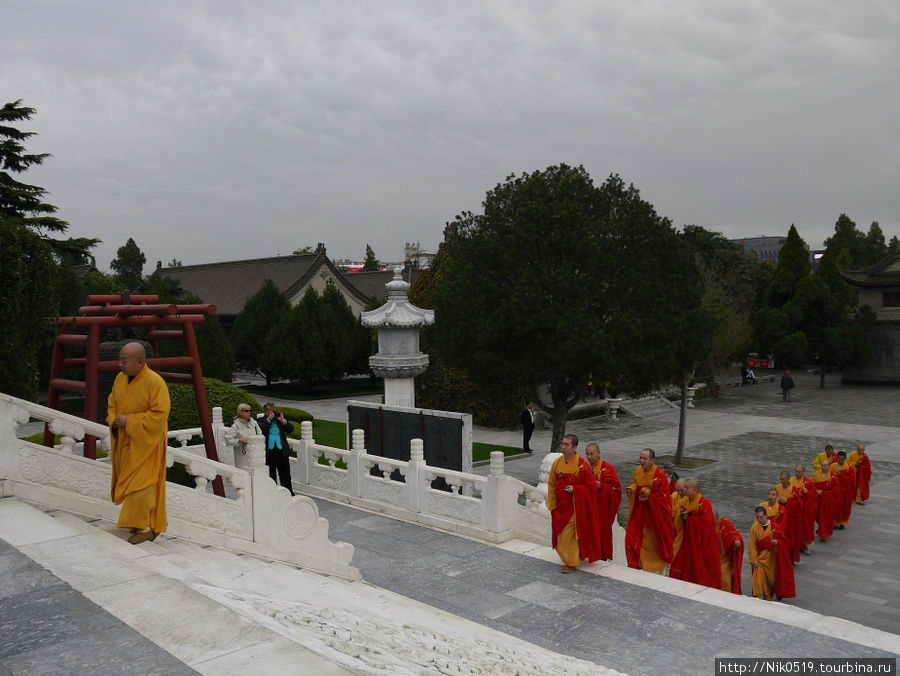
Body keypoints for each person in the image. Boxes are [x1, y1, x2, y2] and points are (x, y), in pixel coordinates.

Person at [107, 342, 170, 544]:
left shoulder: (155, 382)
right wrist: (113, 420)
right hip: (126, 442)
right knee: (131, 484)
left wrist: (130, 420)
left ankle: (146, 527)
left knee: (142, 487)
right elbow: (112, 405)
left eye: (124, 361)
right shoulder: (119, 379)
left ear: (140, 361)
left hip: (147, 445)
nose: (120, 365)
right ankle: (138, 526)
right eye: (120, 360)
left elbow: (159, 415)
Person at [547, 434, 603, 572]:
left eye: (567, 445)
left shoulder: (582, 465)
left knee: (567, 536)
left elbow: (590, 487)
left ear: (575, 447)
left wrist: (575, 489)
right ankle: (569, 558)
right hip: (560, 505)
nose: (563, 447)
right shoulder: (557, 462)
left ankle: (571, 562)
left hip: (574, 507)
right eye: (562, 444)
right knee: (559, 536)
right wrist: (552, 502)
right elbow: (551, 483)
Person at [624, 448, 674, 573]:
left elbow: (664, 498)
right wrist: (632, 489)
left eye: (644, 458)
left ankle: (658, 565)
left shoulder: (659, 474)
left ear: (652, 460)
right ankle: (637, 564)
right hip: (638, 511)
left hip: (653, 515)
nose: (641, 461)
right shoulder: (637, 471)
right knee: (630, 538)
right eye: (640, 458)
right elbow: (634, 483)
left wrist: (649, 497)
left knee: (650, 543)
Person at [668, 479, 720, 588]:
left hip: (700, 543)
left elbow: (706, 524)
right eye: (684, 488)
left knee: (699, 566)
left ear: (695, 491)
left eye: (687, 488)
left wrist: (690, 518)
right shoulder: (685, 501)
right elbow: (677, 519)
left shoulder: (704, 503)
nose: (684, 491)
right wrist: (681, 516)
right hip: (687, 540)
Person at [584, 442, 622, 561]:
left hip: (602, 510)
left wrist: (602, 486)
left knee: (601, 535)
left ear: (598, 453)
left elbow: (617, 489)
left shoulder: (607, 468)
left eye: (592, 454)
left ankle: (601, 559)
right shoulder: (584, 467)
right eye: (587, 454)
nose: (589, 457)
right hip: (588, 508)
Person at [748, 506, 794, 601]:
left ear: (766, 516)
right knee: (760, 578)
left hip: (772, 558)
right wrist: (754, 559)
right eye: (757, 517)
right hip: (760, 558)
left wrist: (778, 542)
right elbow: (751, 544)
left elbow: (785, 541)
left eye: (761, 517)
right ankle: (766, 597)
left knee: (772, 580)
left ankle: (772, 592)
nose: (759, 519)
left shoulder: (775, 526)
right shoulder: (754, 528)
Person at [257, 402, 295, 495]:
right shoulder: (261, 420)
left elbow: (290, 429)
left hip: (282, 452)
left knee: (285, 474)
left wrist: (283, 420)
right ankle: (272, 493)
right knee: (271, 475)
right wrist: (268, 420)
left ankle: (288, 493)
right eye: (268, 411)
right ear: (265, 411)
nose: (271, 412)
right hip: (269, 453)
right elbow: (260, 430)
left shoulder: (279, 420)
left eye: (272, 410)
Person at [775, 470, 804, 562]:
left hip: (790, 518)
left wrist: (787, 501)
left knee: (790, 538)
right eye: (780, 479)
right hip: (779, 517)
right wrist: (778, 500)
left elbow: (799, 504)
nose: (781, 481)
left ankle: (790, 559)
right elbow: (772, 498)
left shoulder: (794, 489)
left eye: (783, 479)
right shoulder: (777, 487)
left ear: (788, 479)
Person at [714, 509, 744, 594]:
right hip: (712, 558)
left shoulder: (726, 524)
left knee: (724, 578)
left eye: (713, 519)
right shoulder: (709, 524)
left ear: (717, 518)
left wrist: (737, 541)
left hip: (725, 559)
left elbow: (735, 534)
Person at [790, 464, 815, 554]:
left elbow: (814, 495)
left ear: (804, 472)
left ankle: (804, 546)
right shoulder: (791, 481)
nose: (798, 473)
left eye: (800, 472)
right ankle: (794, 546)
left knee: (804, 528)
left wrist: (808, 493)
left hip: (804, 510)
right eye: (796, 471)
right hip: (793, 510)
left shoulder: (808, 482)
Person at [811, 459, 837, 542]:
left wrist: (825, 493)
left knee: (825, 517)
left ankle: (824, 534)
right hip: (818, 499)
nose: (823, 467)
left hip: (828, 501)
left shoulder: (833, 475)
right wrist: (815, 491)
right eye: (822, 465)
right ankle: (821, 529)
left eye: (825, 466)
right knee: (818, 517)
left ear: (829, 466)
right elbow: (810, 485)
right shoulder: (815, 474)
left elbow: (836, 489)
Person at [831, 451, 856, 529]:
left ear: (845, 459)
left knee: (844, 508)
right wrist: (835, 475)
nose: (840, 461)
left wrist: (842, 475)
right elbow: (829, 476)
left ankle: (842, 522)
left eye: (842, 459)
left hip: (845, 491)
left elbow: (852, 479)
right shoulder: (832, 466)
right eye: (839, 459)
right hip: (835, 491)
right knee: (835, 508)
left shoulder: (849, 467)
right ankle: (834, 523)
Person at [670, 478, 687, 562]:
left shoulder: (691, 497)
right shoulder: (674, 496)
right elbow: (669, 511)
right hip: (675, 529)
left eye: (681, 490)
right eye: (677, 490)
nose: (679, 493)